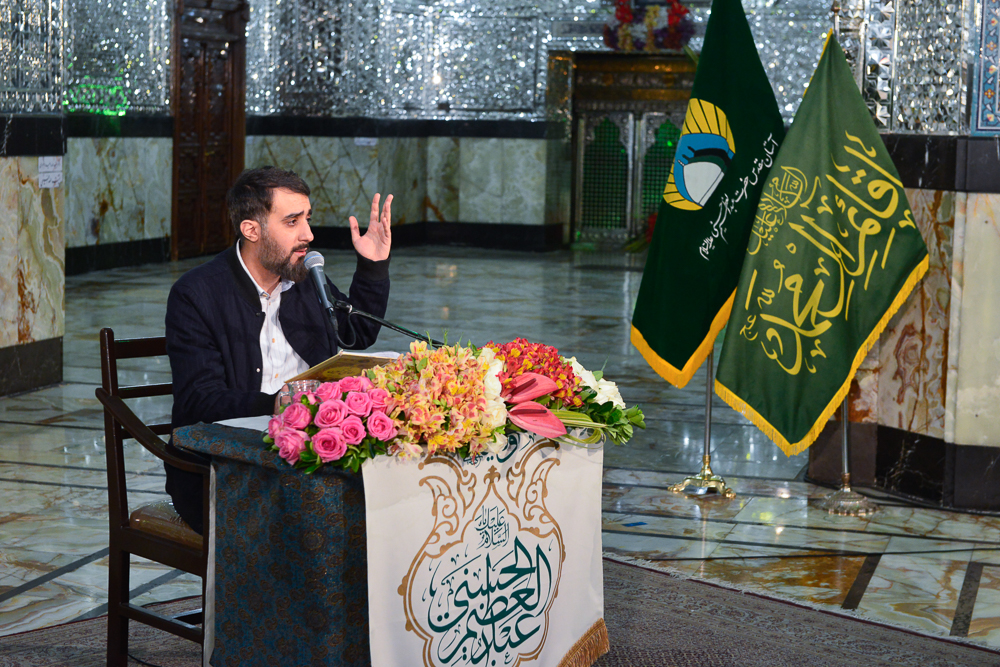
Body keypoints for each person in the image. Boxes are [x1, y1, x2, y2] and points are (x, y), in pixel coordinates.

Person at [164, 166, 392, 533]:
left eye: (307, 218)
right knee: (331, 517)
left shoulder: (304, 278)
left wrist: (373, 265)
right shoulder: (197, 294)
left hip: (310, 454)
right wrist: (279, 404)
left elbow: (356, 333)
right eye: (292, 222)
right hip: (225, 464)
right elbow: (199, 399)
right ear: (251, 229)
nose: (308, 235)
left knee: (384, 501)